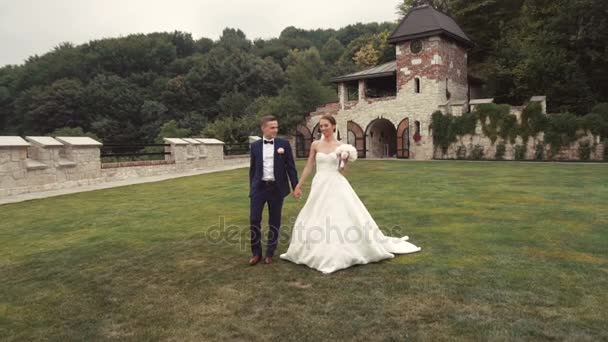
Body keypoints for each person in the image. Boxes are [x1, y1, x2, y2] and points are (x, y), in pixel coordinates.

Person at [280, 115, 421, 274]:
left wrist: (344, 160)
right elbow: (309, 166)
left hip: (336, 183)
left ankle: (341, 250)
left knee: (339, 214)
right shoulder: (315, 144)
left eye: (326, 125)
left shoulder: (341, 146)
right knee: (314, 213)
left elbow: (342, 171)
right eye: (321, 126)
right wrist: (298, 185)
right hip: (319, 183)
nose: (323, 128)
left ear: (333, 126)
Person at [248, 115, 301, 266]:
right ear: (263, 128)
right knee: (254, 220)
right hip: (259, 188)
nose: (275, 130)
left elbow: (291, 167)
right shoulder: (255, 146)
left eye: (276, 127)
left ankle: (270, 252)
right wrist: (252, 187)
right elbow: (253, 170)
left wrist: (295, 186)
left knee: (274, 221)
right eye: (272, 127)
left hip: (277, 189)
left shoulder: (283, 144)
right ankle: (256, 253)